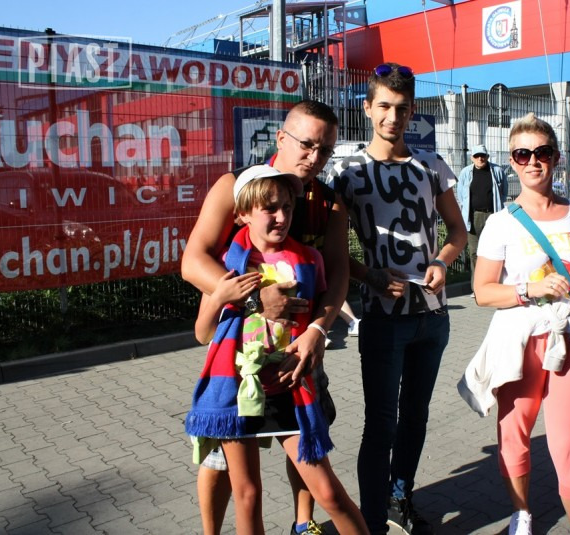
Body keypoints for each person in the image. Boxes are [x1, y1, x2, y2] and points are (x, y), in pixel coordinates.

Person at [181, 100, 349, 535]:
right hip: (237, 353)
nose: (315, 157)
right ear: (281, 138)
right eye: (307, 144)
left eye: (325, 150)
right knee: (226, 466)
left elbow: (338, 274)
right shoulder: (235, 186)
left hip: (299, 348)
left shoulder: (329, 203)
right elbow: (193, 261)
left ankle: (303, 525)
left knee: (306, 444)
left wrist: (318, 330)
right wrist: (256, 299)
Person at [327, 62, 467, 534]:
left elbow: (458, 231)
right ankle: (371, 521)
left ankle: (399, 497)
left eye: (402, 108)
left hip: (433, 316)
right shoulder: (348, 171)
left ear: (412, 111)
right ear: (368, 109)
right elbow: (332, 251)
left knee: (415, 419)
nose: (393, 117)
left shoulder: (431, 165)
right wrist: (369, 275)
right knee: (381, 424)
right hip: (384, 319)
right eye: (384, 106)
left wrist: (442, 262)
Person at [462, 112, 570, 535]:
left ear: (556, 157)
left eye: (541, 152)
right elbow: (482, 292)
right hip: (520, 341)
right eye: (522, 154)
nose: (532, 161)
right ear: (511, 161)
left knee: (568, 441)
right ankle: (522, 513)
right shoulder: (501, 222)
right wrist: (530, 289)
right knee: (514, 432)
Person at [457, 144, 509, 289]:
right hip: (473, 216)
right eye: (477, 156)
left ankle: (495, 284)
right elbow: (461, 195)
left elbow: (504, 192)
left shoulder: (497, 171)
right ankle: (477, 287)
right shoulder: (465, 173)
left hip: (492, 216)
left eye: (483, 156)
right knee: (474, 253)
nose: (480, 159)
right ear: (472, 158)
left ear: (487, 156)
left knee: (496, 251)